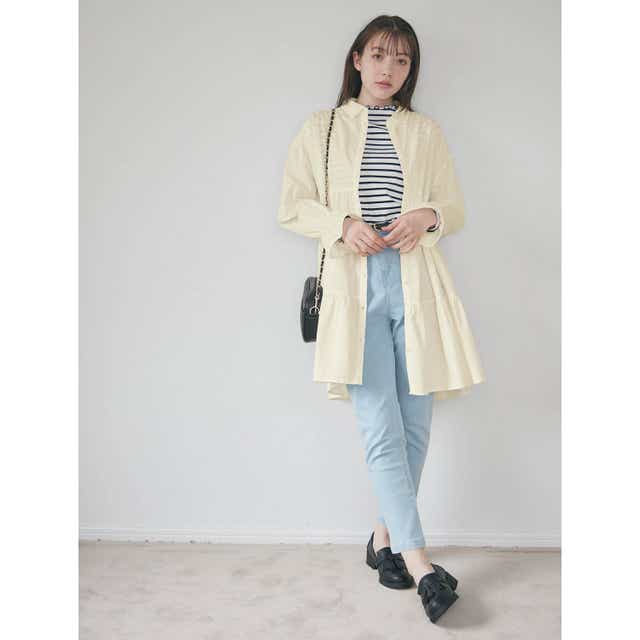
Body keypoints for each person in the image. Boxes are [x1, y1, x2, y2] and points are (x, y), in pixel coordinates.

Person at [277, 15, 485, 624]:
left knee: (415, 424)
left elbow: (453, 208)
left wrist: (425, 216)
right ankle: (420, 564)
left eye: (402, 60)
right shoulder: (321, 128)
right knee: (379, 424)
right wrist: (341, 225)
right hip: (354, 288)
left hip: (418, 285)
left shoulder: (425, 131)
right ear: (357, 59)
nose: (389, 69)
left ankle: (384, 539)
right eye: (378, 55)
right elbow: (292, 204)